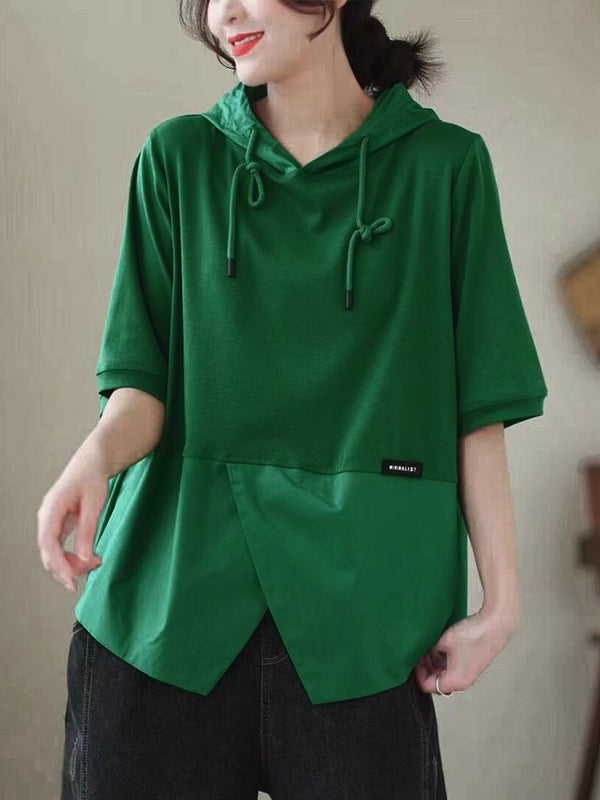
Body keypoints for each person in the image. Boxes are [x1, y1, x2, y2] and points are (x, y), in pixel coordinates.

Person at [37, 0, 548, 797]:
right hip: (166, 610)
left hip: (362, 619)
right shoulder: (178, 157)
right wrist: (92, 459)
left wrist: (503, 605)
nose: (223, 14)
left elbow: (477, 407)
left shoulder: (445, 168)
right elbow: (142, 385)